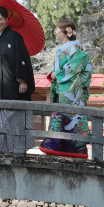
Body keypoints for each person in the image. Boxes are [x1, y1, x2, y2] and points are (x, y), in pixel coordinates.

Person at [39, 19, 92, 158]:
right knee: (61, 118)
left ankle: (72, 150)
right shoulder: (64, 49)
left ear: (67, 32)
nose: (55, 31)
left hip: (70, 91)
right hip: (62, 89)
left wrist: (57, 74)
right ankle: (59, 149)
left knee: (70, 118)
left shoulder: (75, 50)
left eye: (57, 29)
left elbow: (72, 69)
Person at [0, 6, 35, 153]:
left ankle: (16, 150)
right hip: (1, 85)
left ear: (7, 19)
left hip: (14, 84)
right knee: (1, 118)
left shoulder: (14, 36)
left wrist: (23, 80)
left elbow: (22, 58)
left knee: (13, 117)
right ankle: (1, 150)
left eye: (1, 19)